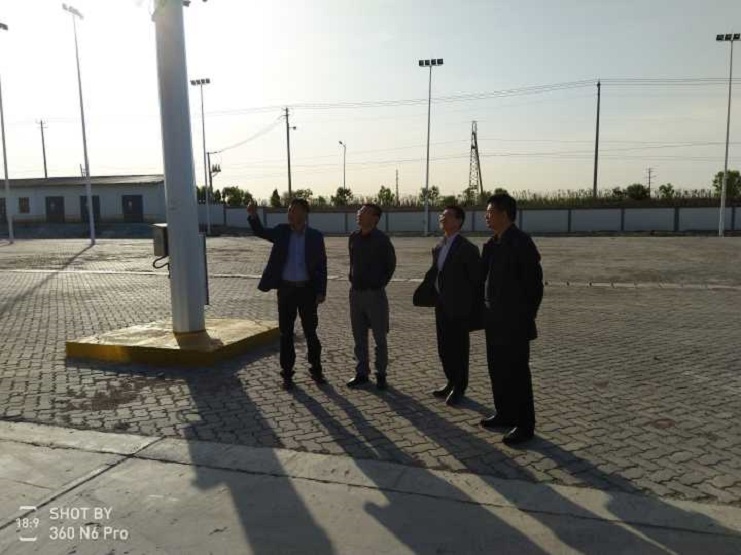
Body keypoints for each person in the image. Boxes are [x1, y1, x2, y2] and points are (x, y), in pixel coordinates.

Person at [479, 193, 544, 446]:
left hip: (514, 323)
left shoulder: (521, 243)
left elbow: (534, 287)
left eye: (490, 212)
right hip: (493, 320)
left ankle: (524, 425)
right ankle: (504, 413)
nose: (486, 217)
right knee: (497, 369)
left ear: (504, 214)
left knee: (517, 373)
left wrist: (524, 318)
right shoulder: (492, 243)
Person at [246, 199, 328, 390]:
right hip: (286, 291)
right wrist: (253, 215)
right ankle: (287, 374)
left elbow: (321, 265)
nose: (290, 213)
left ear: (304, 213)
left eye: (294, 210)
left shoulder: (315, 236)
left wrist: (321, 291)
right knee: (286, 334)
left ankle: (316, 370)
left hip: (307, 291)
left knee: (310, 332)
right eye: (289, 210)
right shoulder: (281, 231)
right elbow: (261, 231)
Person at [424, 205, 481, 406]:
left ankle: (460, 386)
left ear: (458, 221)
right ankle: (450, 381)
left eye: (447, 216)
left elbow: (476, 281)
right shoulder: (439, 246)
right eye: (442, 215)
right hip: (441, 304)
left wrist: (471, 308)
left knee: (459, 349)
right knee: (444, 347)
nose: (442, 218)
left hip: (459, 307)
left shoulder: (467, 248)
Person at [346, 203, 397, 390]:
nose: (359, 214)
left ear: (375, 218)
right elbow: (352, 262)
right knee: (359, 336)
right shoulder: (353, 237)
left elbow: (390, 265)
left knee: (379, 337)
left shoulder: (382, 240)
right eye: (359, 211)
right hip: (356, 294)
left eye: (364, 212)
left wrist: (378, 283)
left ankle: (381, 374)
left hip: (375, 295)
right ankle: (362, 373)